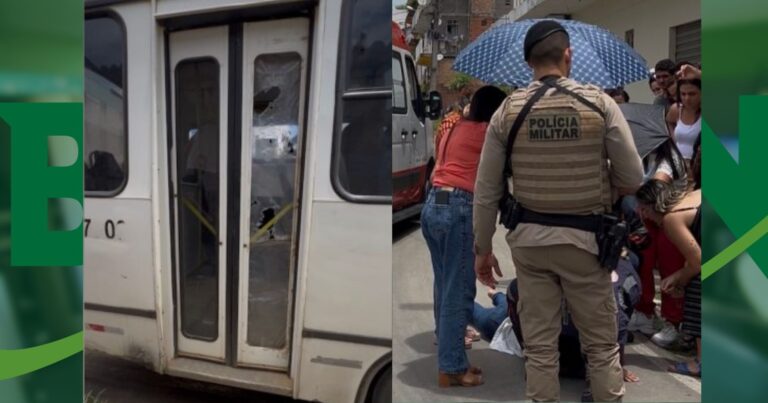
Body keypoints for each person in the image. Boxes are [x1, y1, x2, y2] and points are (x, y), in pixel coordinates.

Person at [472, 20, 644, 401]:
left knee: (540, 347)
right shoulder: (599, 104)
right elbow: (633, 177)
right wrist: (601, 181)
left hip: (530, 246)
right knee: (600, 347)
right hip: (588, 245)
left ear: (526, 61)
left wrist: (482, 249)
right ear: (569, 55)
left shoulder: (506, 112)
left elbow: (486, 192)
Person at [422, 85, 507, 388]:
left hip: (434, 205)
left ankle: (451, 355)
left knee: (445, 285)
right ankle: (453, 368)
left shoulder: (455, 126)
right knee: (458, 292)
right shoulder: (488, 133)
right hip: (458, 207)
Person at [635, 173, 701, 377]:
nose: (642, 215)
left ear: (650, 207)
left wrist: (677, 279)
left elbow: (698, 262)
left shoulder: (672, 219)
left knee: (697, 285)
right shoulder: (693, 195)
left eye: (643, 209)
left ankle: (702, 361)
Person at [666, 78, 701, 164]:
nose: (687, 98)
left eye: (692, 94)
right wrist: (674, 139)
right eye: (683, 94)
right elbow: (669, 122)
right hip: (679, 164)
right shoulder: (676, 109)